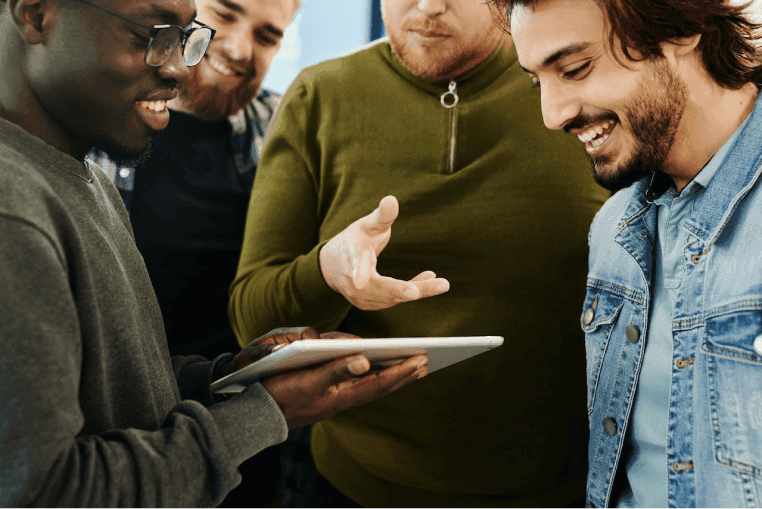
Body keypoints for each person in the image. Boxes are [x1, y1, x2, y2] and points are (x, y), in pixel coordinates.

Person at [0, 0, 429, 506]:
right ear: (36, 14)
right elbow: (49, 492)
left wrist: (230, 378)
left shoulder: (83, 175)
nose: (181, 68)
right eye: (151, 35)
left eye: (183, 39)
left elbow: (123, 397)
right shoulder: (15, 213)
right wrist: (263, 410)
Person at [228, 0, 609, 506]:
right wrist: (326, 273)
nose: (428, 6)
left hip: (562, 486)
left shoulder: (580, 91)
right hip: (350, 485)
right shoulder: (319, 96)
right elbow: (250, 325)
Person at [500, 0, 762, 507]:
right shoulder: (614, 228)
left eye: (575, 68)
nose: (552, 115)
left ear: (681, 30)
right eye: (537, 82)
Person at [87, 1, 299, 504]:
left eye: (268, 37)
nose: (242, 48)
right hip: (114, 434)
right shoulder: (90, 124)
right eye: (225, 15)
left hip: (247, 428)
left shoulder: (284, 128)